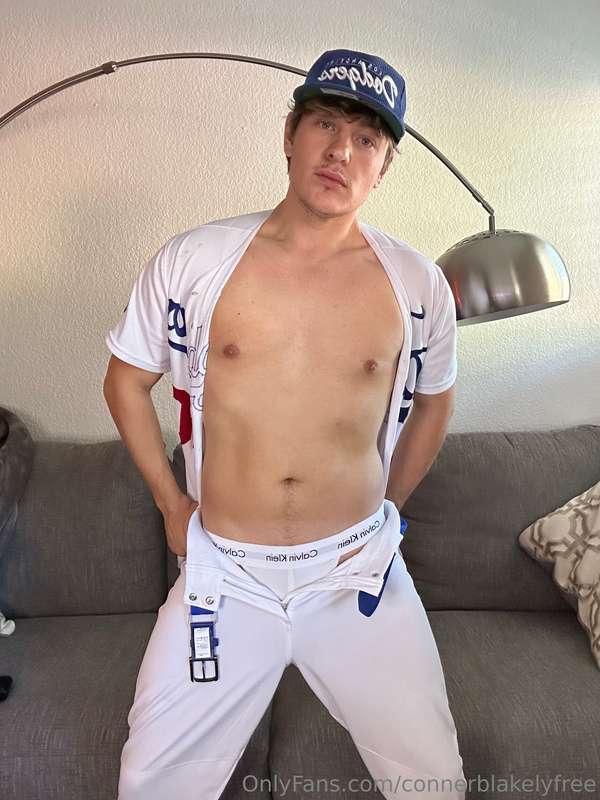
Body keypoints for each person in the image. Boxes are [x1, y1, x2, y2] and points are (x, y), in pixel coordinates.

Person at [103, 48, 466, 800]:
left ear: (383, 167)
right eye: (325, 124)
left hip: (356, 572)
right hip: (226, 575)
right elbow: (125, 381)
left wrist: (391, 505)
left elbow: (435, 400)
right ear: (290, 136)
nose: (341, 151)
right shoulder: (196, 261)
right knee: (149, 784)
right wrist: (171, 505)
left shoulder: (417, 284)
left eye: (366, 139)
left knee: (433, 782)